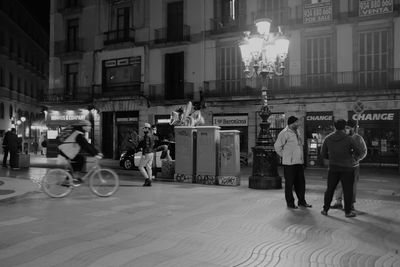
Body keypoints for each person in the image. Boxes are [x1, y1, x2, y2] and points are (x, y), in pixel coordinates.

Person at [320, 119, 363, 218]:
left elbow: (323, 154)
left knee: (330, 189)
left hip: (333, 167)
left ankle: (325, 210)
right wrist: (354, 158)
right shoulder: (349, 139)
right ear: (344, 127)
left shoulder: (328, 138)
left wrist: (331, 158)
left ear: (334, 127)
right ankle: (347, 212)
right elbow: (359, 152)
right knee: (348, 190)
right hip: (347, 168)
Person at [274, 116, 312, 209]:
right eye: (296, 122)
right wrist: (286, 156)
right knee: (289, 184)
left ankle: (302, 202)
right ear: (292, 123)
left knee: (301, 184)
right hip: (289, 164)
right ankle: (290, 203)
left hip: (298, 162)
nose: (298, 124)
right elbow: (277, 146)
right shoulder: (284, 133)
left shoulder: (297, 132)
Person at [331, 119, 367, 211]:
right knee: (339, 184)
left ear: (353, 128)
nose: (346, 129)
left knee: (351, 186)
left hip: (352, 166)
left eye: (348, 128)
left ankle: (350, 204)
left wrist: (356, 158)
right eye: (345, 128)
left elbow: (364, 151)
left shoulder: (358, 138)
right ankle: (338, 202)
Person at [58, 120, 103, 185]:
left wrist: (96, 152)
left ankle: (69, 179)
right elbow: (85, 146)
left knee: (78, 161)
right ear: (83, 127)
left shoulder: (79, 134)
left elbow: (87, 145)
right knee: (80, 159)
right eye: (89, 126)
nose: (90, 127)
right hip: (66, 152)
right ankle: (74, 178)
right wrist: (95, 154)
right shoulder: (78, 135)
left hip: (67, 152)